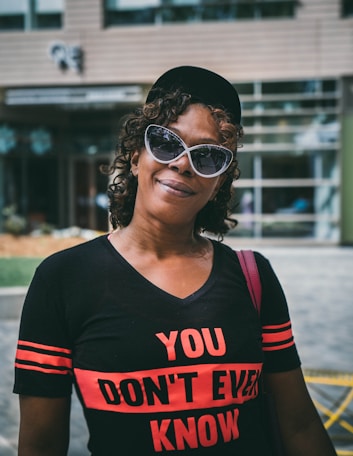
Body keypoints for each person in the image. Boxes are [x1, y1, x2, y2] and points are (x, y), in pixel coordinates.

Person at [13, 66, 337, 455]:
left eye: (207, 156)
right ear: (135, 156)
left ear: (220, 181)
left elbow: (299, 425)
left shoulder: (253, 276)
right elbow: (41, 446)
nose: (183, 164)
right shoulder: (62, 280)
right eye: (167, 143)